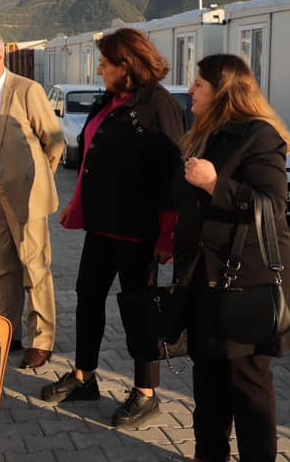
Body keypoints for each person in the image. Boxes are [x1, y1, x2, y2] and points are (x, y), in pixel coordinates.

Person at [41, 27, 186, 428]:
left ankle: (146, 390)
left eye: (105, 63)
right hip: (102, 225)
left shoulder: (158, 106)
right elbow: (92, 157)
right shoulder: (109, 99)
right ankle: (85, 376)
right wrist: (78, 205)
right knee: (88, 297)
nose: (99, 70)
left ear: (127, 64)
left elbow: (172, 176)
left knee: (139, 309)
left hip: (140, 230)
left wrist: (169, 233)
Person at [174, 54, 290, 461]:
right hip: (206, 278)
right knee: (208, 381)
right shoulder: (208, 131)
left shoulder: (259, 135)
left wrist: (216, 184)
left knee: (248, 387)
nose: (190, 90)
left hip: (245, 281)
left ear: (223, 91)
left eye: (198, 84)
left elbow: (272, 204)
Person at [0, 32, 64, 369]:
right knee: (4, 265)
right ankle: (7, 332)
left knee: (34, 265)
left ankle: (42, 340)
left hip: (25, 191)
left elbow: (54, 142)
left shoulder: (27, 90)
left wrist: (37, 181)